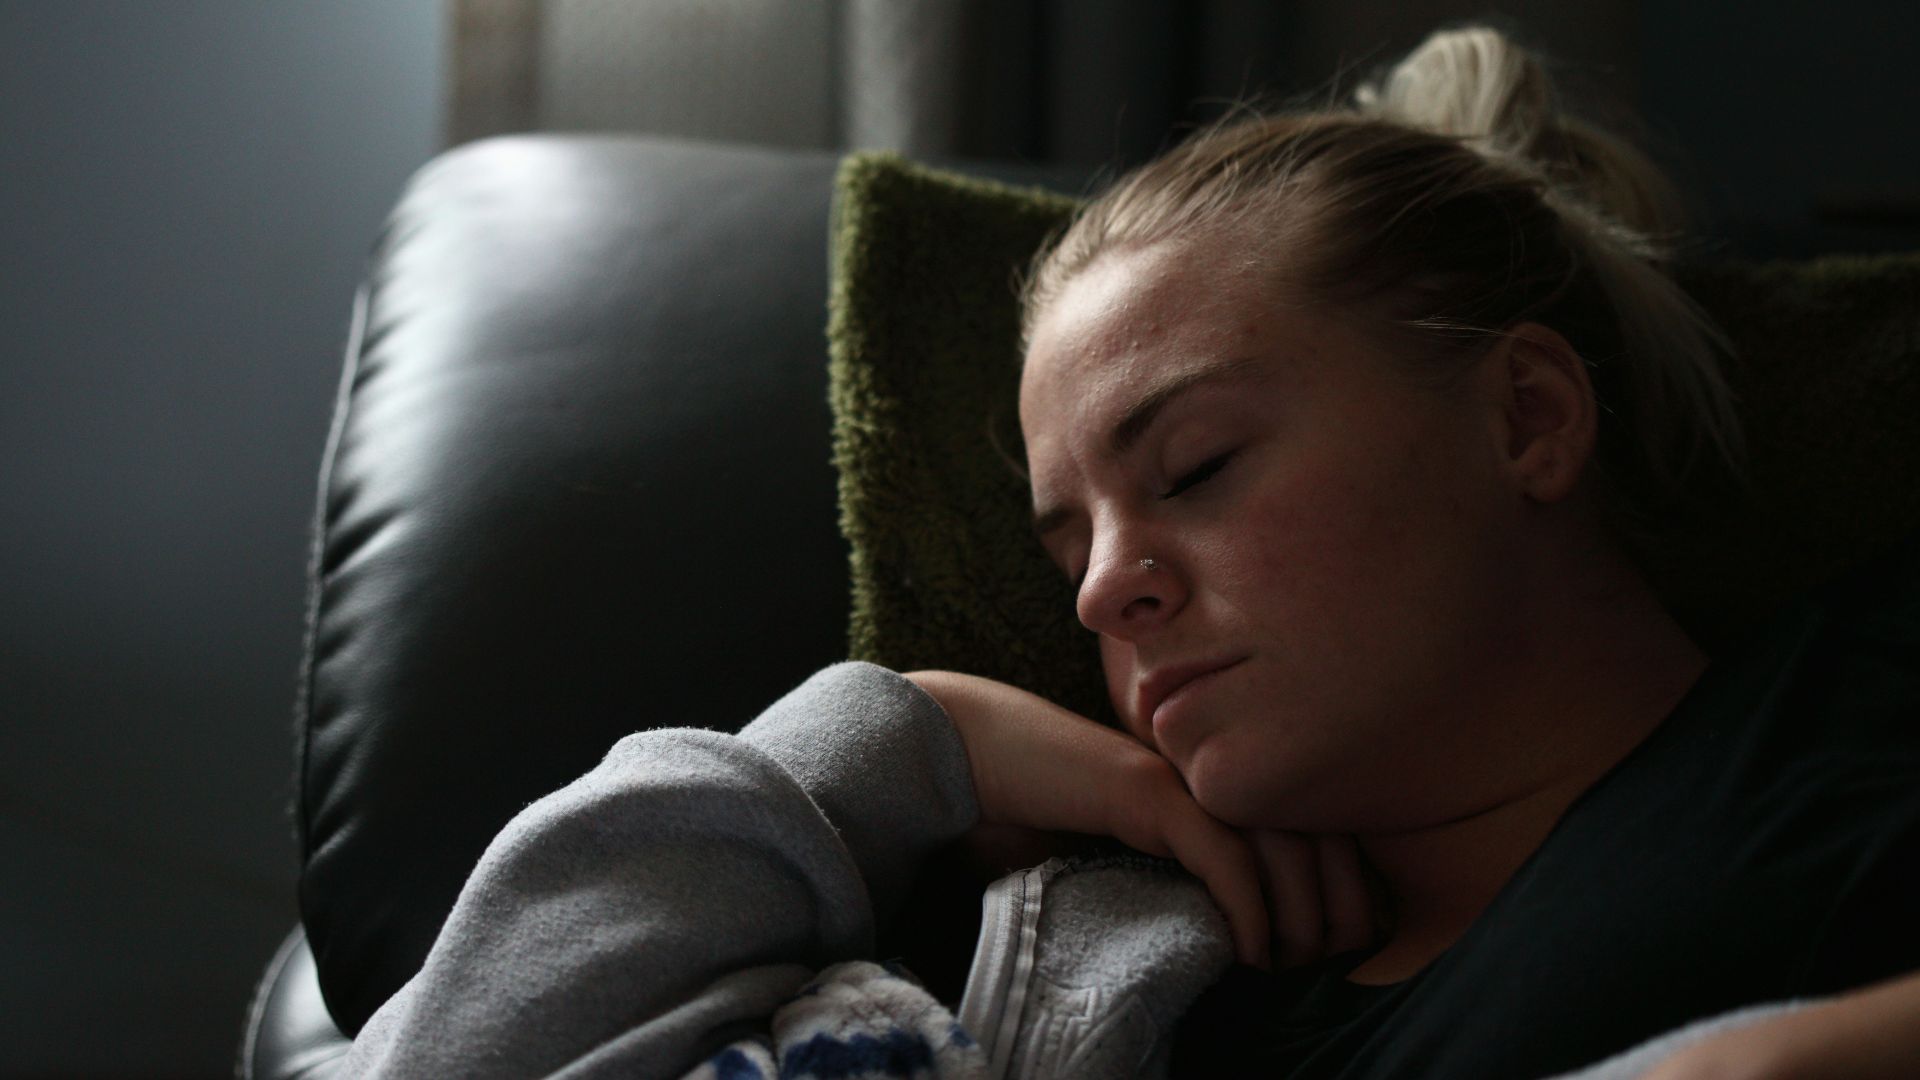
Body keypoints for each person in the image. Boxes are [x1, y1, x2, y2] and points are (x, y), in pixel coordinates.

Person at [339, 25, 1920, 1080]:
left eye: (1199, 467)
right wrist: (907, 737)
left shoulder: (1860, 692)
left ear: (1525, 418)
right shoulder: (1140, 976)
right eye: (1068, 545)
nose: (1105, 587)